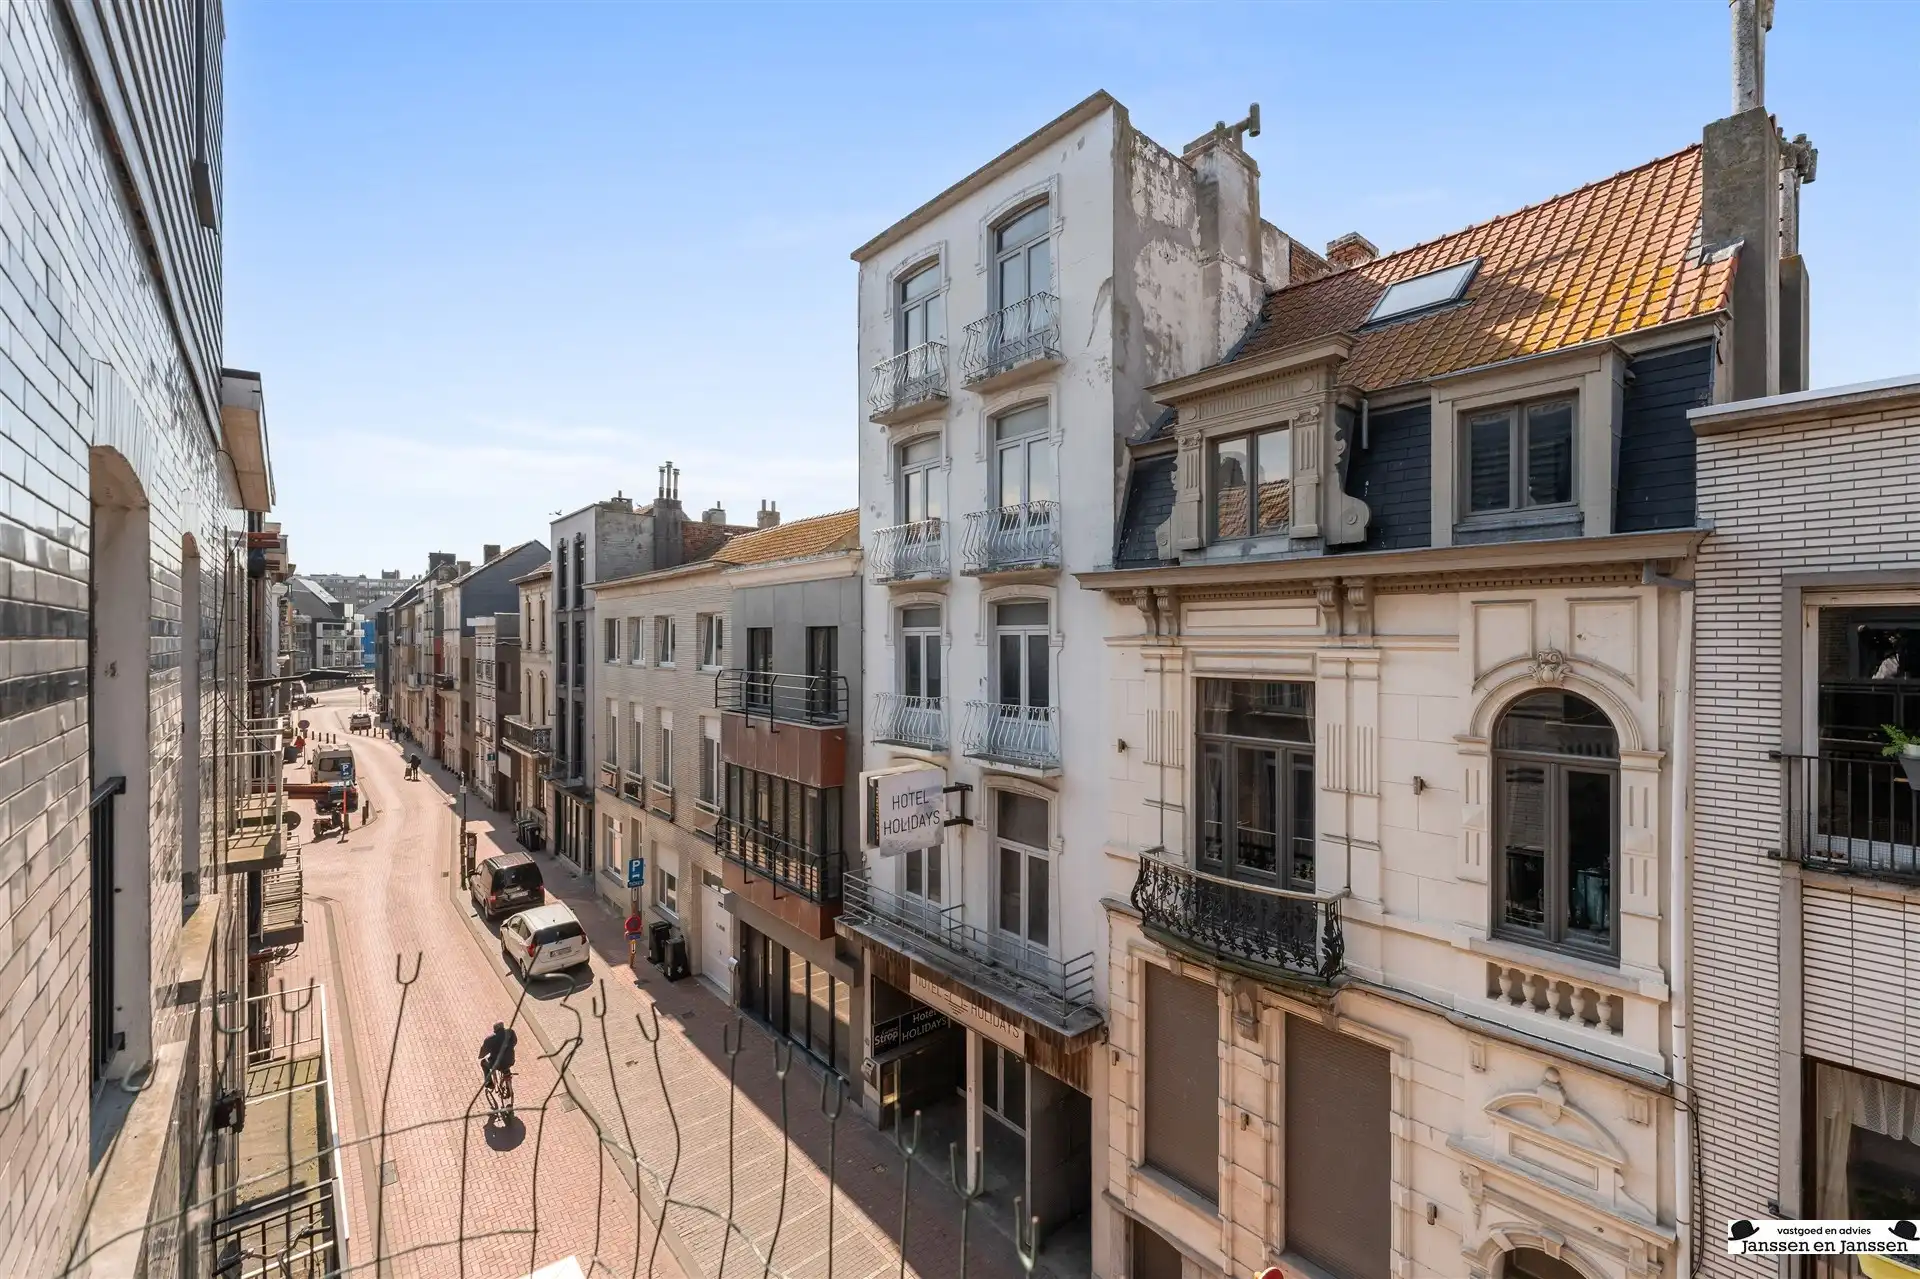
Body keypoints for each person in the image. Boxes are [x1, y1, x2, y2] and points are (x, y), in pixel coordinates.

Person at [479, 1021, 516, 1104]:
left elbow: (483, 1051)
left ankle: (489, 1083)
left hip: (496, 1063)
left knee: (483, 1063)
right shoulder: (511, 1032)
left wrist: (480, 1056)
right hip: (510, 1060)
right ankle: (508, 1087)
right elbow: (514, 1042)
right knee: (506, 1067)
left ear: (495, 1030)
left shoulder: (489, 1039)